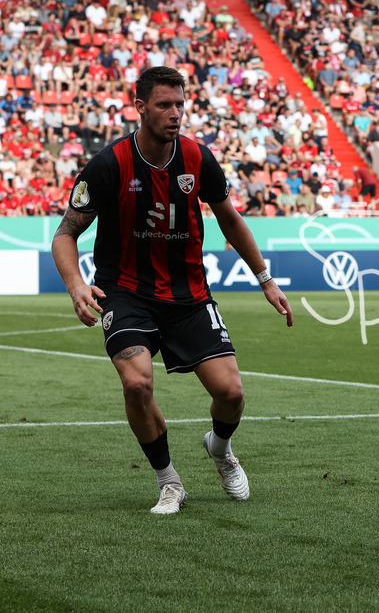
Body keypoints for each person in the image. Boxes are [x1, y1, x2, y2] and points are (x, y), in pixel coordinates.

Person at [50, 67, 294, 515]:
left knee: (231, 394)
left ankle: (220, 448)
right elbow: (65, 233)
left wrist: (265, 278)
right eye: (164, 105)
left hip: (189, 294)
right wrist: (76, 286)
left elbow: (230, 219)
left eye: (180, 104)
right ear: (140, 108)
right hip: (126, 293)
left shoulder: (198, 158)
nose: (175, 113)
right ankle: (169, 481)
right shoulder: (109, 164)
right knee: (136, 381)